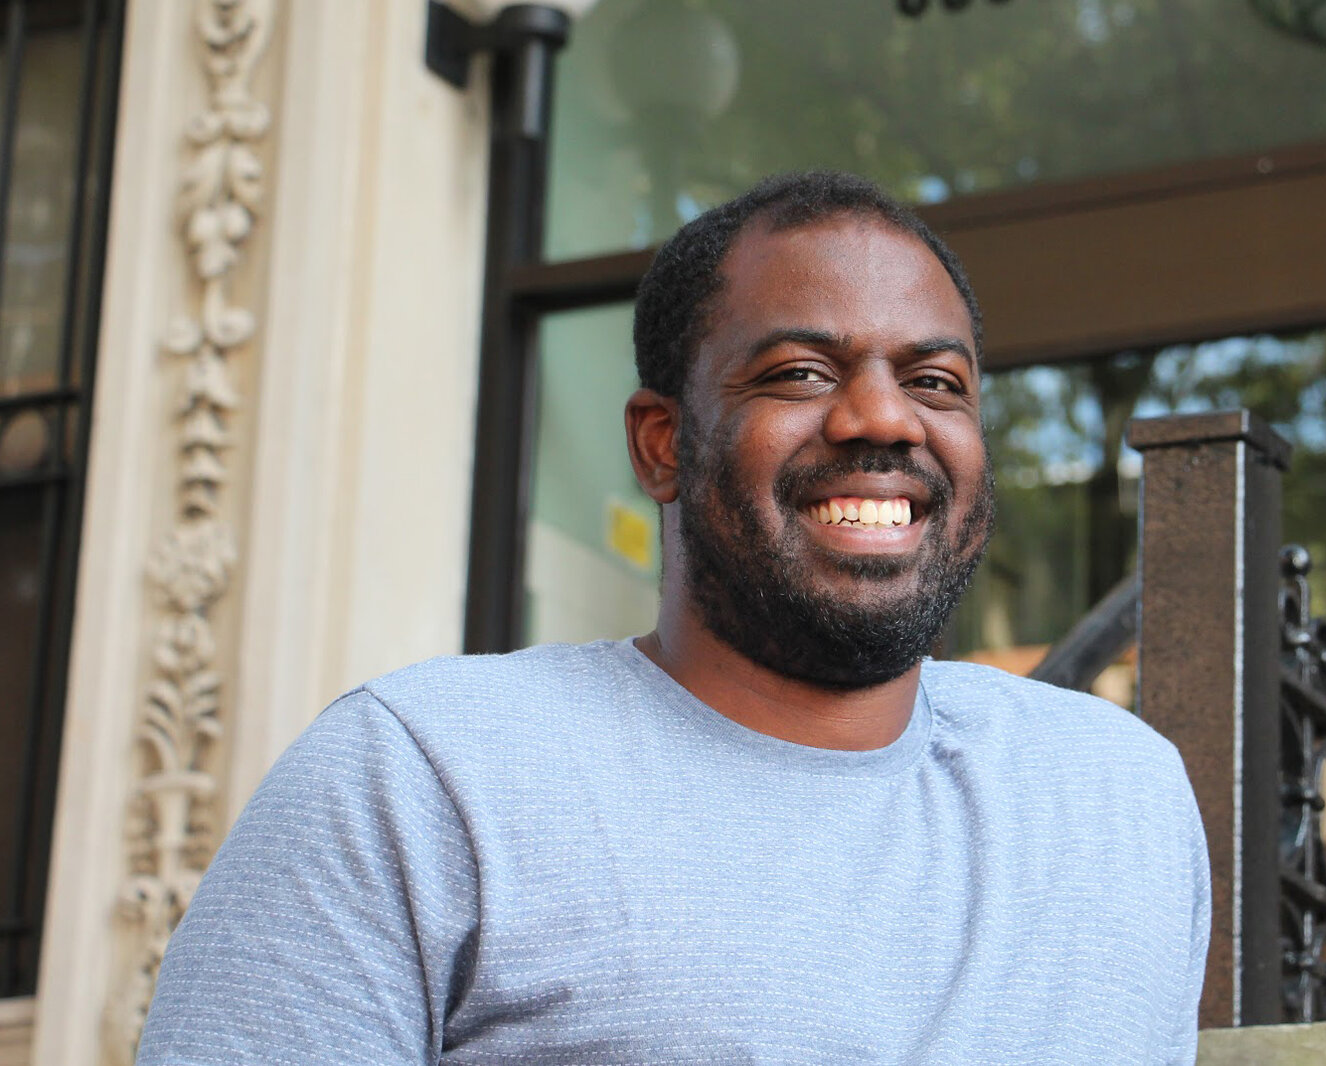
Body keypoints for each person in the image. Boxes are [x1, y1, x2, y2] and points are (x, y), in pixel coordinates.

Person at [136, 171, 1209, 1065]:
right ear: (662, 445)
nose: (884, 417)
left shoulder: (1122, 801)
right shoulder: (424, 778)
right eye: (801, 372)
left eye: (935, 381)